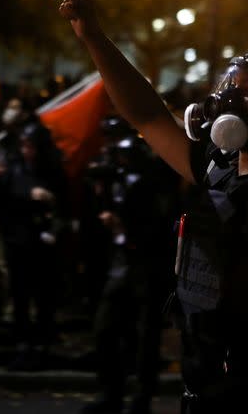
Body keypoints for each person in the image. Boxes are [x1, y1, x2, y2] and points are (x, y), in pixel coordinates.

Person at [60, 0, 248, 414]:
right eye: (229, 87)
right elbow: (147, 117)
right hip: (207, 391)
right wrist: (93, 38)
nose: (227, 101)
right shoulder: (223, 169)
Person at [82, 122, 176, 414]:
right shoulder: (121, 183)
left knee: (145, 337)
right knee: (107, 329)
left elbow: (157, 229)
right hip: (123, 265)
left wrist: (124, 228)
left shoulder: (152, 186)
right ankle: (112, 393)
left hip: (146, 269)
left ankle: (140, 399)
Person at [0, 121, 67, 371]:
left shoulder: (53, 170)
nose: (27, 151)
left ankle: (42, 344)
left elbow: (65, 204)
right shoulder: (13, 168)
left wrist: (53, 214)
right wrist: (26, 195)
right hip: (19, 239)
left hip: (43, 242)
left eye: (31, 146)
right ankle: (24, 345)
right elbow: (2, 200)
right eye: (24, 145)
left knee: (43, 296)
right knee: (21, 295)